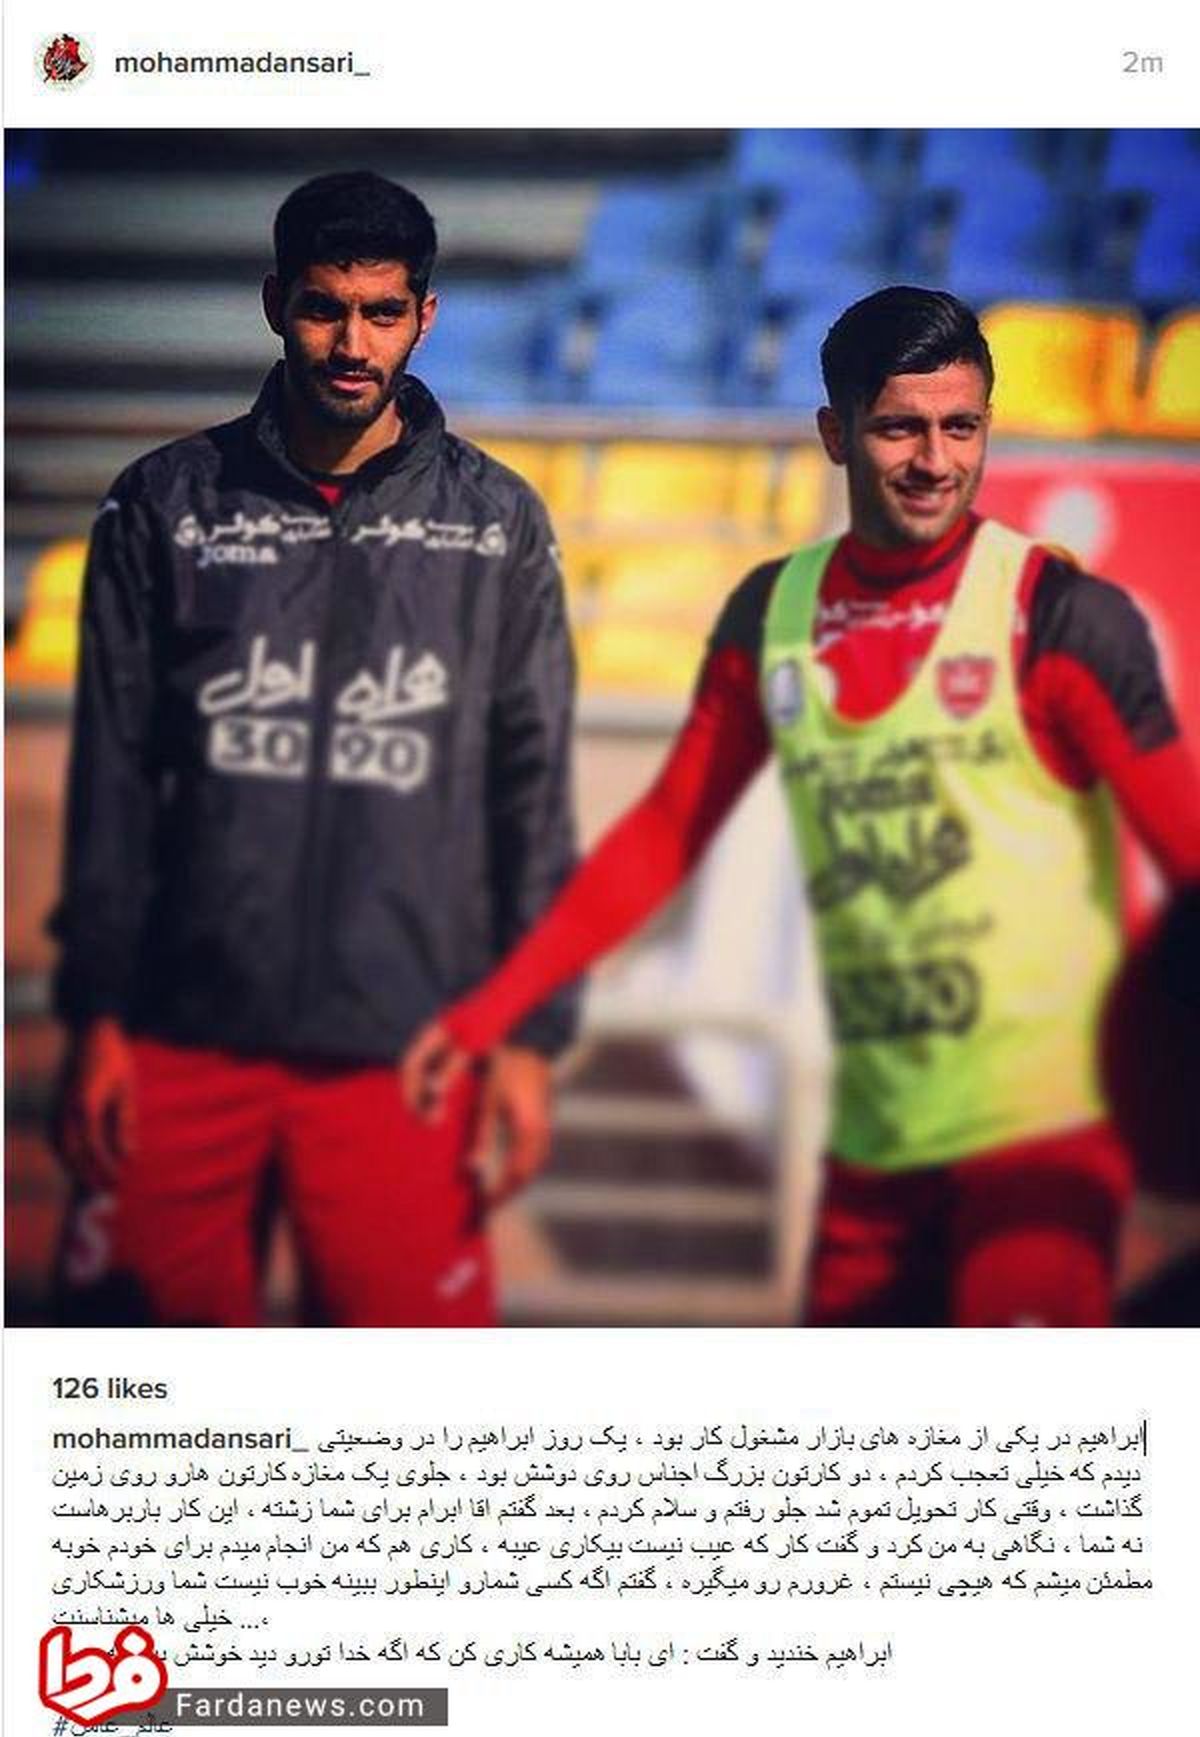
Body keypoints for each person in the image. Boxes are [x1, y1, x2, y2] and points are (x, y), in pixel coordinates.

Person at [404, 285, 1200, 1327]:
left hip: (1038, 1152)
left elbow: (1191, 859)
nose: (935, 460)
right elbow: (662, 837)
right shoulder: (772, 616)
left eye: (961, 427)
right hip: (875, 1150)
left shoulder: (1058, 618)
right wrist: (494, 1008)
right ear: (835, 434)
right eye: (899, 429)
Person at [51, 170, 578, 1327]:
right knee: (131, 1399)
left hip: (408, 1048)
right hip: (182, 1036)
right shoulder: (164, 504)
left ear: (423, 316)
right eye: (323, 309)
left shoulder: (497, 523)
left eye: (382, 313)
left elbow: (532, 795)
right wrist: (97, 1012)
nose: (352, 344)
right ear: (274, 304)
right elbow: (114, 779)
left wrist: (531, 1038)